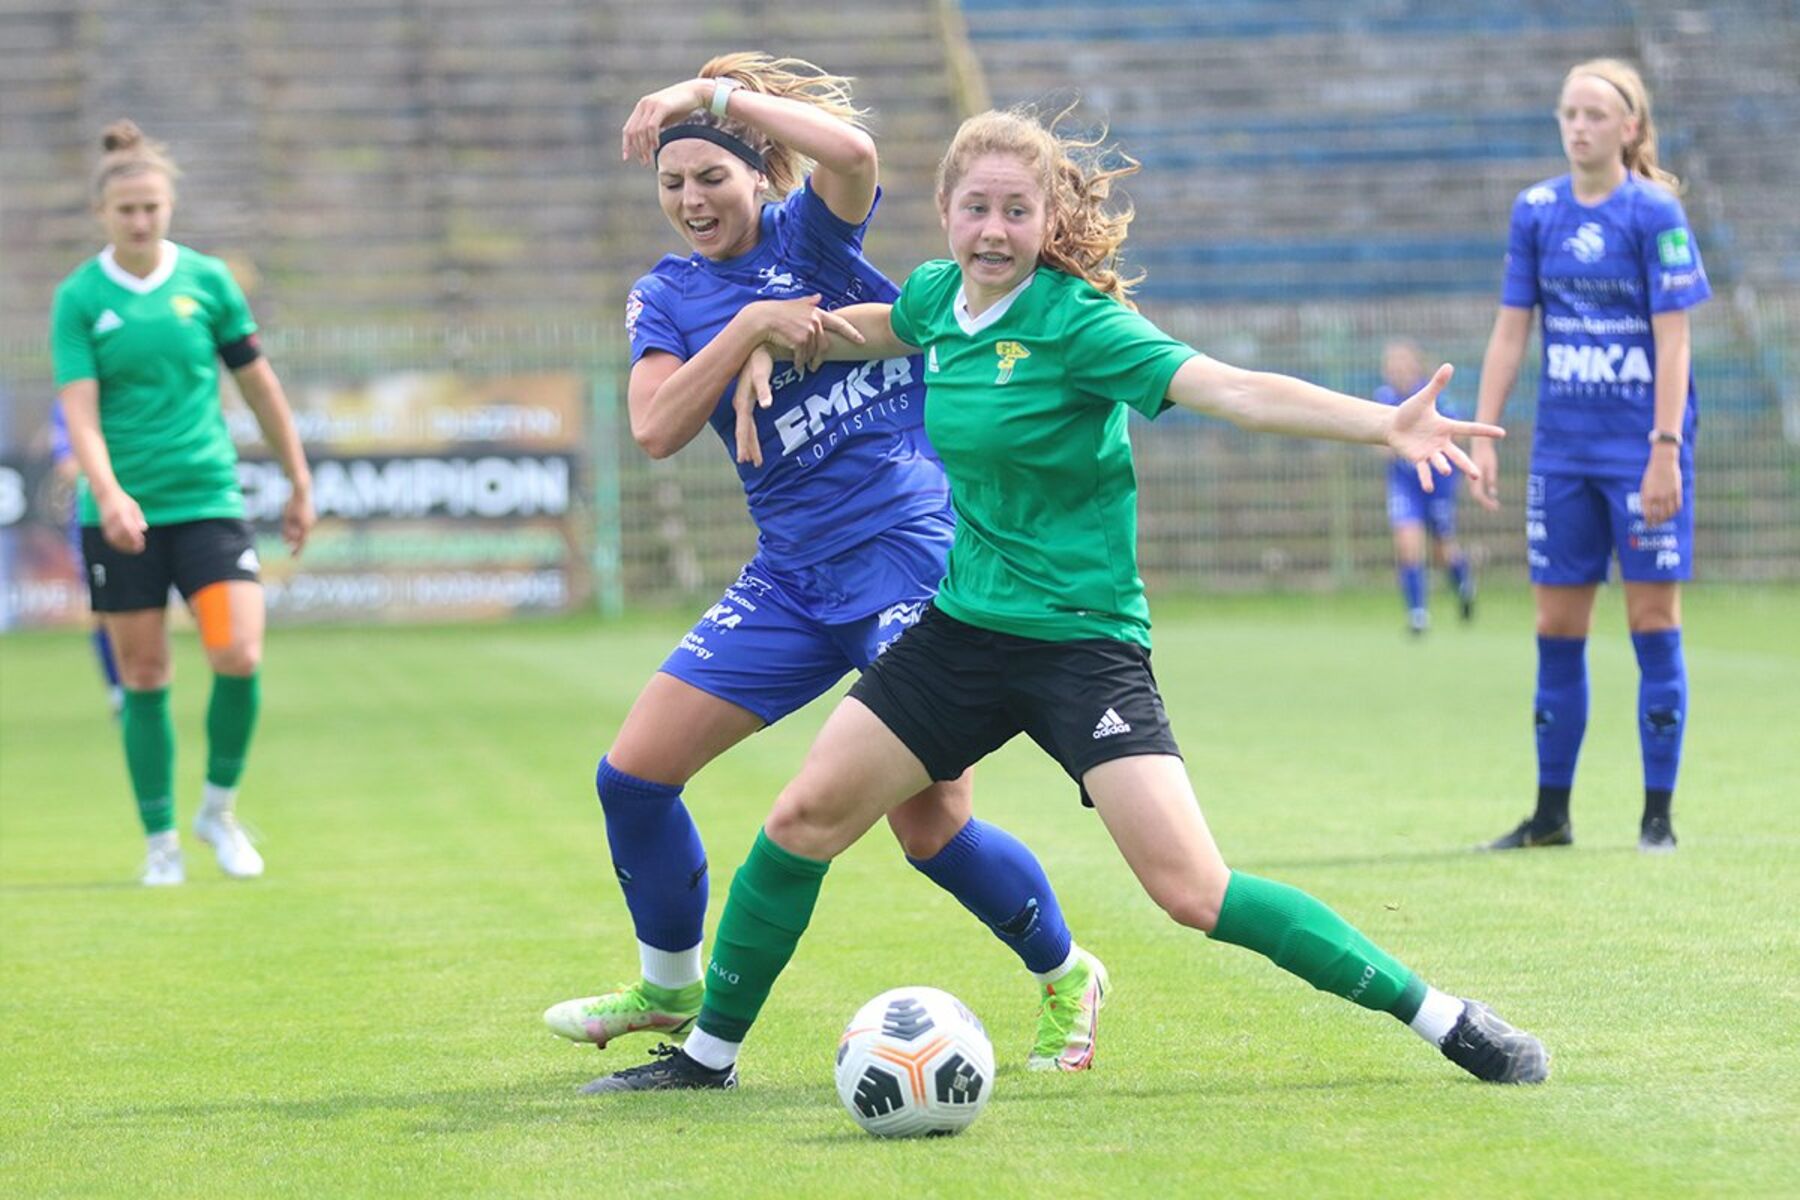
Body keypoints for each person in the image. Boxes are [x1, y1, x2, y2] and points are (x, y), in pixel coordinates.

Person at [583, 107, 1549, 1094]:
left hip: (1080, 646)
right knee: (801, 822)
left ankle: (1443, 1016)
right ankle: (707, 1058)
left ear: (1047, 219)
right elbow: (866, 327)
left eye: (1015, 210)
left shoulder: (1080, 326)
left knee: (1192, 892)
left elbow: (1232, 389)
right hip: (960, 630)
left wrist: (1384, 423)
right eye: (975, 210)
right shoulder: (936, 301)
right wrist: (769, 341)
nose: (993, 231)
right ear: (946, 216)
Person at [542, 57, 1107, 1074]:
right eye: (671, 184)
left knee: (930, 825)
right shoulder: (667, 295)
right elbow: (659, 426)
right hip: (790, 579)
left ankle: (1066, 972)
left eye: (711, 176)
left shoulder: (815, 234)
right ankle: (669, 988)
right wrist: (751, 328)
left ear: (763, 173)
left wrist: (698, 99)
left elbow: (852, 152)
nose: (691, 200)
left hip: (909, 559)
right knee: (632, 777)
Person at [51, 120, 314, 886]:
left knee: (238, 651)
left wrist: (299, 480)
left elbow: (258, 386)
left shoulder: (207, 282)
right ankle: (160, 840)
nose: (140, 221)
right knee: (144, 675)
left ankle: (218, 810)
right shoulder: (80, 297)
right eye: (126, 209)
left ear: (169, 207)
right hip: (122, 515)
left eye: (152, 208)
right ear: (103, 213)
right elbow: (80, 411)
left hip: (208, 500)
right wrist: (108, 493)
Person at [1469, 59, 1709, 854]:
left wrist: (1665, 450)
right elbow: (1512, 330)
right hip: (1563, 454)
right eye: (1568, 113)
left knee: (1651, 621)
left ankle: (1657, 819)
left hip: (1640, 451)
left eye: (1596, 115)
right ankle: (1550, 817)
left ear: (1630, 128)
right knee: (1555, 625)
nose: (1579, 127)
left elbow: (1675, 344)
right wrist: (1485, 431)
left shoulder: (1655, 214)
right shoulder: (1535, 210)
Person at [1373, 339, 1475, 635]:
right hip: (1405, 483)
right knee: (1407, 543)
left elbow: (1455, 432)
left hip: (1437, 483)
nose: (1398, 370)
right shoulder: (1384, 398)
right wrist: (1390, 445)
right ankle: (1418, 614)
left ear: (1416, 365)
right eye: (1392, 366)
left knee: (1443, 549)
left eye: (1403, 364)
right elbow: (1376, 441)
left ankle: (1463, 583)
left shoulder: (1434, 397)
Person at [48, 400, 125, 714]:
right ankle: (118, 690)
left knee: (146, 607)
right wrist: (107, 475)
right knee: (103, 610)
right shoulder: (69, 402)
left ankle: (145, 686)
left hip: (148, 510)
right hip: (94, 521)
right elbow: (65, 465)